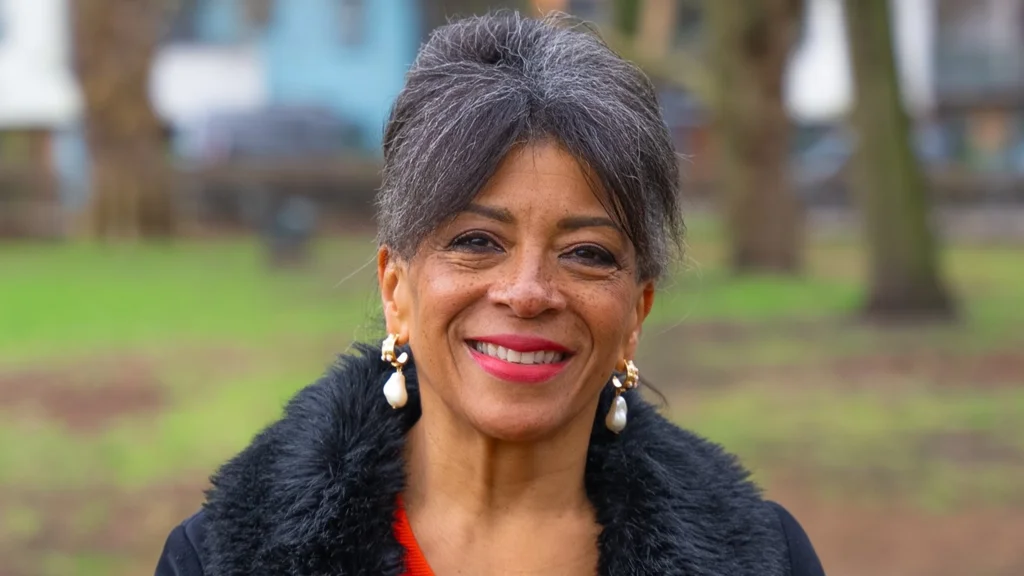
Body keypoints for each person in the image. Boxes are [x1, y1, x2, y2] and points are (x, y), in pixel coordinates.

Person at [156, 12, 825, 576]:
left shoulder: (764, 559)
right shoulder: (220, 560)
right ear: (397, 288)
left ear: (635, 314)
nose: (528, 292)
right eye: (477, 241)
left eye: (587, 254)